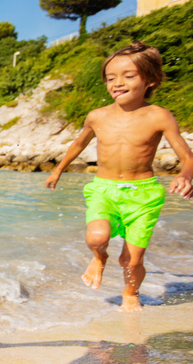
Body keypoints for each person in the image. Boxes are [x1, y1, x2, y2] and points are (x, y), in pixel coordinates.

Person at [45, 41, 193, 311]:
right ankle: (99, 258)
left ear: (149, 79)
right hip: (103, 189)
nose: (117, 83)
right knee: (96, 238)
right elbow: (78, 145)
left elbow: (187, 156)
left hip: (143, 194)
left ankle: (130, 292)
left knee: (132, 261)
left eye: (129, 76)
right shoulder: (96, 116)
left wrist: (186, 175)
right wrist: (58, 169)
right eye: (111, 78)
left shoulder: (159, 116)